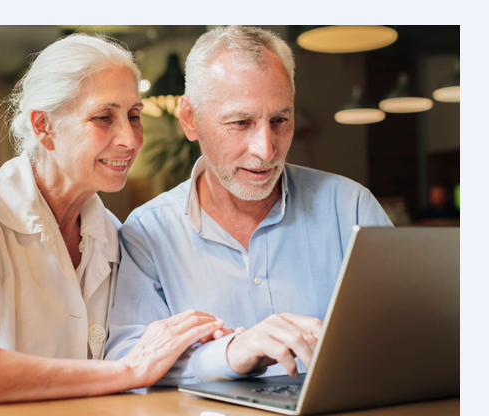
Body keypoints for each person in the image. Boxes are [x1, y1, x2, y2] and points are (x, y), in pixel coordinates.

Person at [0, 34, 229, 406]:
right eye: (103, 117)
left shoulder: (116, 236)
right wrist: (128, 370)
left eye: (134, 116)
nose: (129, 139)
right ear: (44, 127)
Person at [105, 26, 393, 384]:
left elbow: (411, 328)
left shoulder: (350, 208)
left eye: (280, 121)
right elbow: (125, 357)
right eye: (241, 122)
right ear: (190, 119)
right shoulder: (149, 232)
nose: (266, 149)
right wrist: (230, 353)